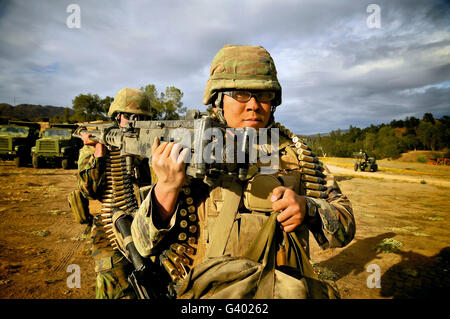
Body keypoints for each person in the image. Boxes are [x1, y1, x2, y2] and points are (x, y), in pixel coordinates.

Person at [131, 45, 356, 297]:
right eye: (240, 93)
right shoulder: (187, 149)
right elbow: (143, 245)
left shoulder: (295, 154)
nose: (254, 105)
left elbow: (345, 228)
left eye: (264, 95)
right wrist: (167, 188)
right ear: (218, 99)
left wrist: (309, 208)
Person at [77, 88, 152, 299]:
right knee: (115, 288)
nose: (133, 121)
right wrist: (100, 152)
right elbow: (88, 189)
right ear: (117, 116)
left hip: (144, 226)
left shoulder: (148, 144)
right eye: (128, 116)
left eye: (140, 117)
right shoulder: (92, 148)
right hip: (108, 230)